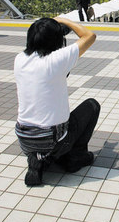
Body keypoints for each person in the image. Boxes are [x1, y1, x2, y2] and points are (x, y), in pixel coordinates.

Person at [14, 17, 100, 186]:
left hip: (25, 140)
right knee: (92, 105)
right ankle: (75, 157)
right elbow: (90, 36)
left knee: (46, 130)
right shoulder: (57, 60)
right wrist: (63, 21)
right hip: (53, 139)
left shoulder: (19, 59)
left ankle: (38, 160)